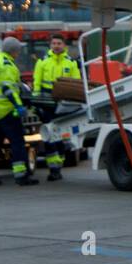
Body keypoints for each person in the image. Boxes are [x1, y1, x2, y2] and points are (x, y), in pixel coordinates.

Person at [0, 37, 38, 186]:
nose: (19, 53)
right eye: (18, 50)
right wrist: (19, 106)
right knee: (17, 142)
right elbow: (8, 90)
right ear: (14, 51)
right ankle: (21, 175)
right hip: (7, 110)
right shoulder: (7, 65)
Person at [31, 36, 80, 181]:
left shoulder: (71, 63)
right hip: (46, 102)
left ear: (64, 45)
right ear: (50, 45)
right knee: (49, 135)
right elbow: (37, 83)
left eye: (59, 43)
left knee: (61, 134)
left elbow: (76, 83)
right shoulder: (42, 61)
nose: (56, 46)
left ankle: (58, 166)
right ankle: (54, 168)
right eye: (54, 43)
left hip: (63, 103)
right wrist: (36, 102)